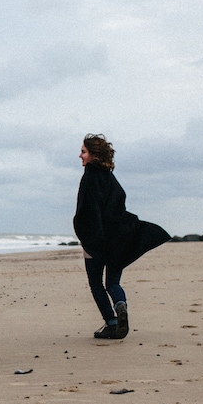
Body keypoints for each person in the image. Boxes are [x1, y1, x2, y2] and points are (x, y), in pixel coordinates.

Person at [73, 134, 170, 339]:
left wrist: (88, 238)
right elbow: (119, 204)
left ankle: (112, 323)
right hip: (118, 238)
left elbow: (88, 212)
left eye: (83, 151)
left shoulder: (89, 177)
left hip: (97, 240)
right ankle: (120, 305)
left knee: (96, 283)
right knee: (113, 283)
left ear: (93, 155)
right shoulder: (110, 177)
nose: (80, 155)